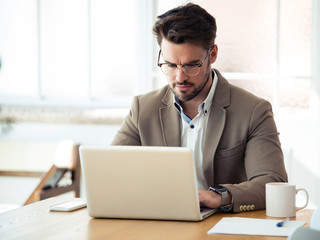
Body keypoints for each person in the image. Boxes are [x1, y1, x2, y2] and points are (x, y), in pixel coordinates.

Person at [112, 3, 287, 213]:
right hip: (159, 221)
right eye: (170, 65)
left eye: (191, 65)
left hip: (223, 226)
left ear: (212, 55)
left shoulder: (253, 111)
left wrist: (219, 197)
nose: (180, 77)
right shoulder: (143, 109)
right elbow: (111, 172)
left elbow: (273, 183)